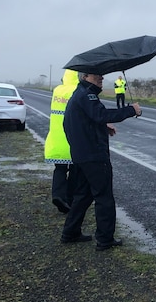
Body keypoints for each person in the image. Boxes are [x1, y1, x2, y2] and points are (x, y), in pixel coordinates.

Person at [61, 72, 141, 250]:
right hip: (94, 156)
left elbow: (83, 121)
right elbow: (101, 114)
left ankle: (70, 232)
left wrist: (102, 127)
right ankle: (105, 239)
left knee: (83, 195)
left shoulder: (79, 94)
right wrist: (131, 110)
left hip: (81, 155)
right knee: (104, 197)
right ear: (85, 76)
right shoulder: (87, 95)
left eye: (101, 75)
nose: (101, 77)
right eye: (96, 75)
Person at [44, 69, 79, 213]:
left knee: (60, 169)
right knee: (75, 172)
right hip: (73, 139)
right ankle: (69, 200)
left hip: (56, 139)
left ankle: (58, 195)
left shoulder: (57, 90)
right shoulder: (78, 91)